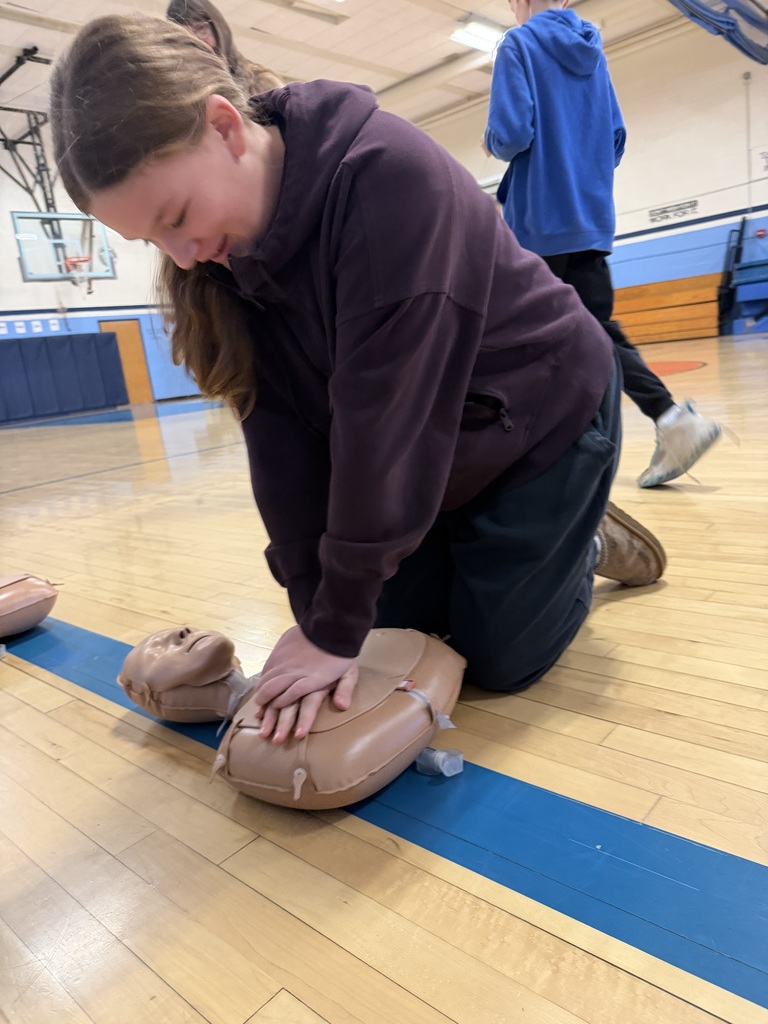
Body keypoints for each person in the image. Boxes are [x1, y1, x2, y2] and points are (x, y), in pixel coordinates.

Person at [50, 13, 666, 745]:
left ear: (225, 127)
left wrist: (338, 628)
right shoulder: (227, 253)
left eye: (177, 216)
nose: (180, 257)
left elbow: (388, 427)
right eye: (152, 240)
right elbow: (279, 435)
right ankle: (517, 551)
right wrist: (319, 615)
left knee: (498, 662)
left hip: (540, 420)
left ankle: (583, 541)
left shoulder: (386, 180)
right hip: (444, 445)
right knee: (399, 636)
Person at [484, 0, 722, 488]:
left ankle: (549, 467)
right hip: (590, 220)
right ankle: (670, 420)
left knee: (524, 342)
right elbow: (615, 138)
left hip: (538, 224)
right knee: (596, 333)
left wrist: (492, 142)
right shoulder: (593, 50)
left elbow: (510, 135)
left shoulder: (518, 44)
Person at [166, 0, 284, 94]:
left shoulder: (261, 83)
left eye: (201, 29)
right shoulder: (180, 94)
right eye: (185, 38)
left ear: (218, 28)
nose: (198, 43)